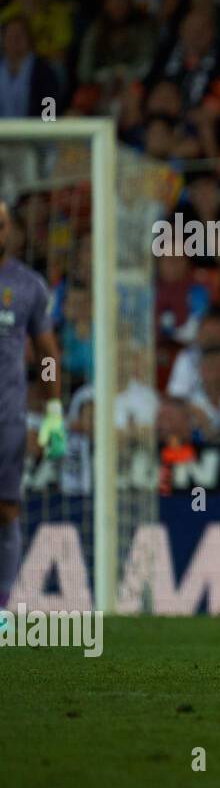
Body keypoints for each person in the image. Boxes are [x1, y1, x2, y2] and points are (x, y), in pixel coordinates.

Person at [0, 201, 63, 628]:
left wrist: (54, 410)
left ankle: (1, 610)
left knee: (5, 512)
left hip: (6, 418)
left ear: (11, 231)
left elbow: (46, 355)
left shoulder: (28, 286)